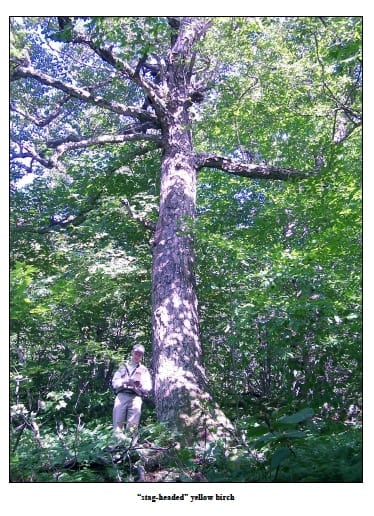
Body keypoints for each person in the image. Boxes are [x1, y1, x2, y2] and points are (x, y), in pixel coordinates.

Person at [112, 344, 152, 439]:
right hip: (121, 396)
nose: (137, 356)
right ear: (132, 352)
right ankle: (117, 447)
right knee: (118, 421)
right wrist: (124, 381)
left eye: (140, 354)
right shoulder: (122, 367)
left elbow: (148, 387)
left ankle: (130, 447)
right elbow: (114, 383)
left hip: (136, 397)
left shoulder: (143, 370)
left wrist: (141, 385)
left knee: (133, 424)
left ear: (142, 356)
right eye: (136, 353)